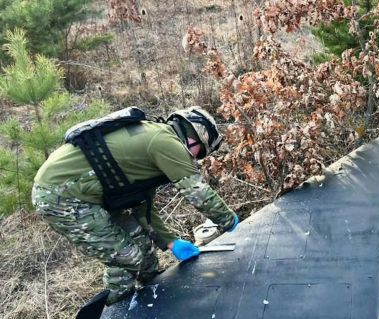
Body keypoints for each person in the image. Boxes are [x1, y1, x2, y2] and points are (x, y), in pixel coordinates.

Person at [32, 106, 239, 305]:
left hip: (87, 191)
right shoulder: (166, 142)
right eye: (200, 152)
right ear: (195, 136)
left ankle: (153, 295)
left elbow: (144, 206)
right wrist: (229, 222)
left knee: (142, 245)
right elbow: (197, 192)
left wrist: (170, 242)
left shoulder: (154, 139)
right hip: (60, 194)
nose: (195, 157)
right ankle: (115, 312)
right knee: (127, 257)